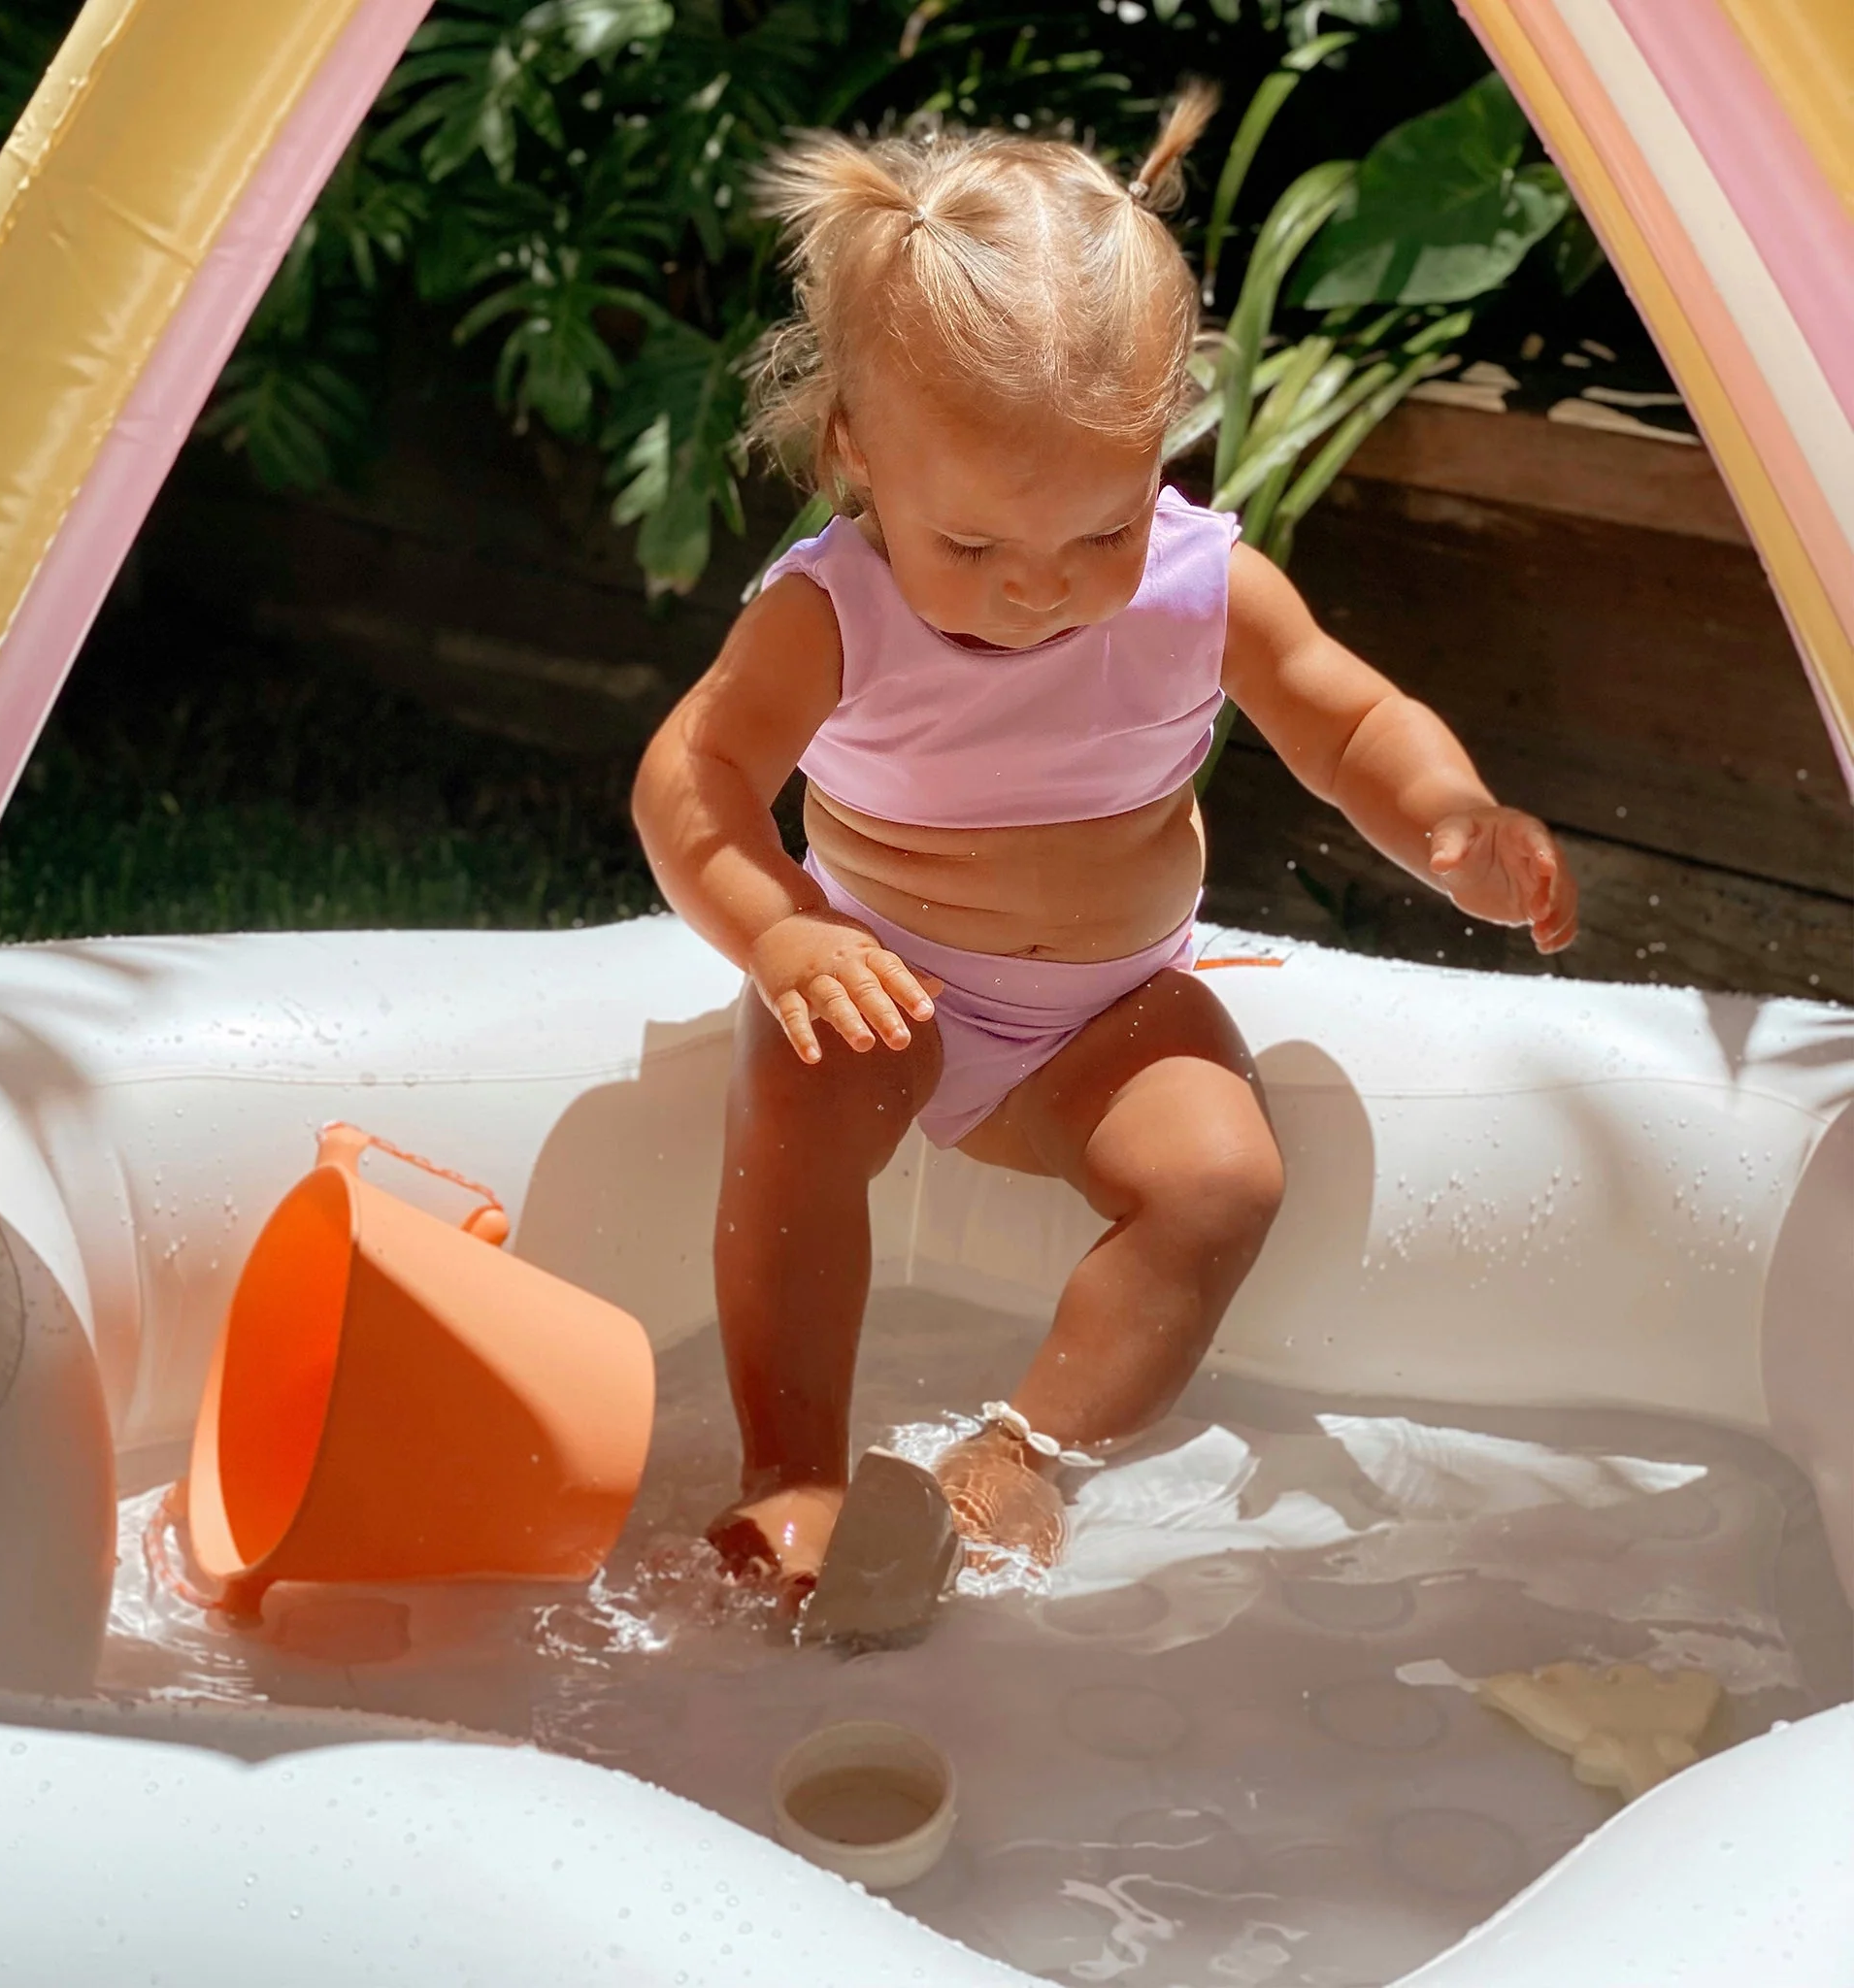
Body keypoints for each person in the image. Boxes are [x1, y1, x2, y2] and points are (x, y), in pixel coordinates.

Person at [631, 95, 1578, 1594]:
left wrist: (1449, 818)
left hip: (1110, 1016)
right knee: (799, 1125)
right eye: (975, 547)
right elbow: (691, 779)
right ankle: (792, 1465)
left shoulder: (1203, 588)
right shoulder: (834, 612)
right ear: (856, 453)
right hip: (885, 988)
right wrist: (782, 931)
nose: (1042, 589)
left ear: (1161, 450)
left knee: (1220, 1183)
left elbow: (1347, 722)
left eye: (1102, 531)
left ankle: (1023, 1454)